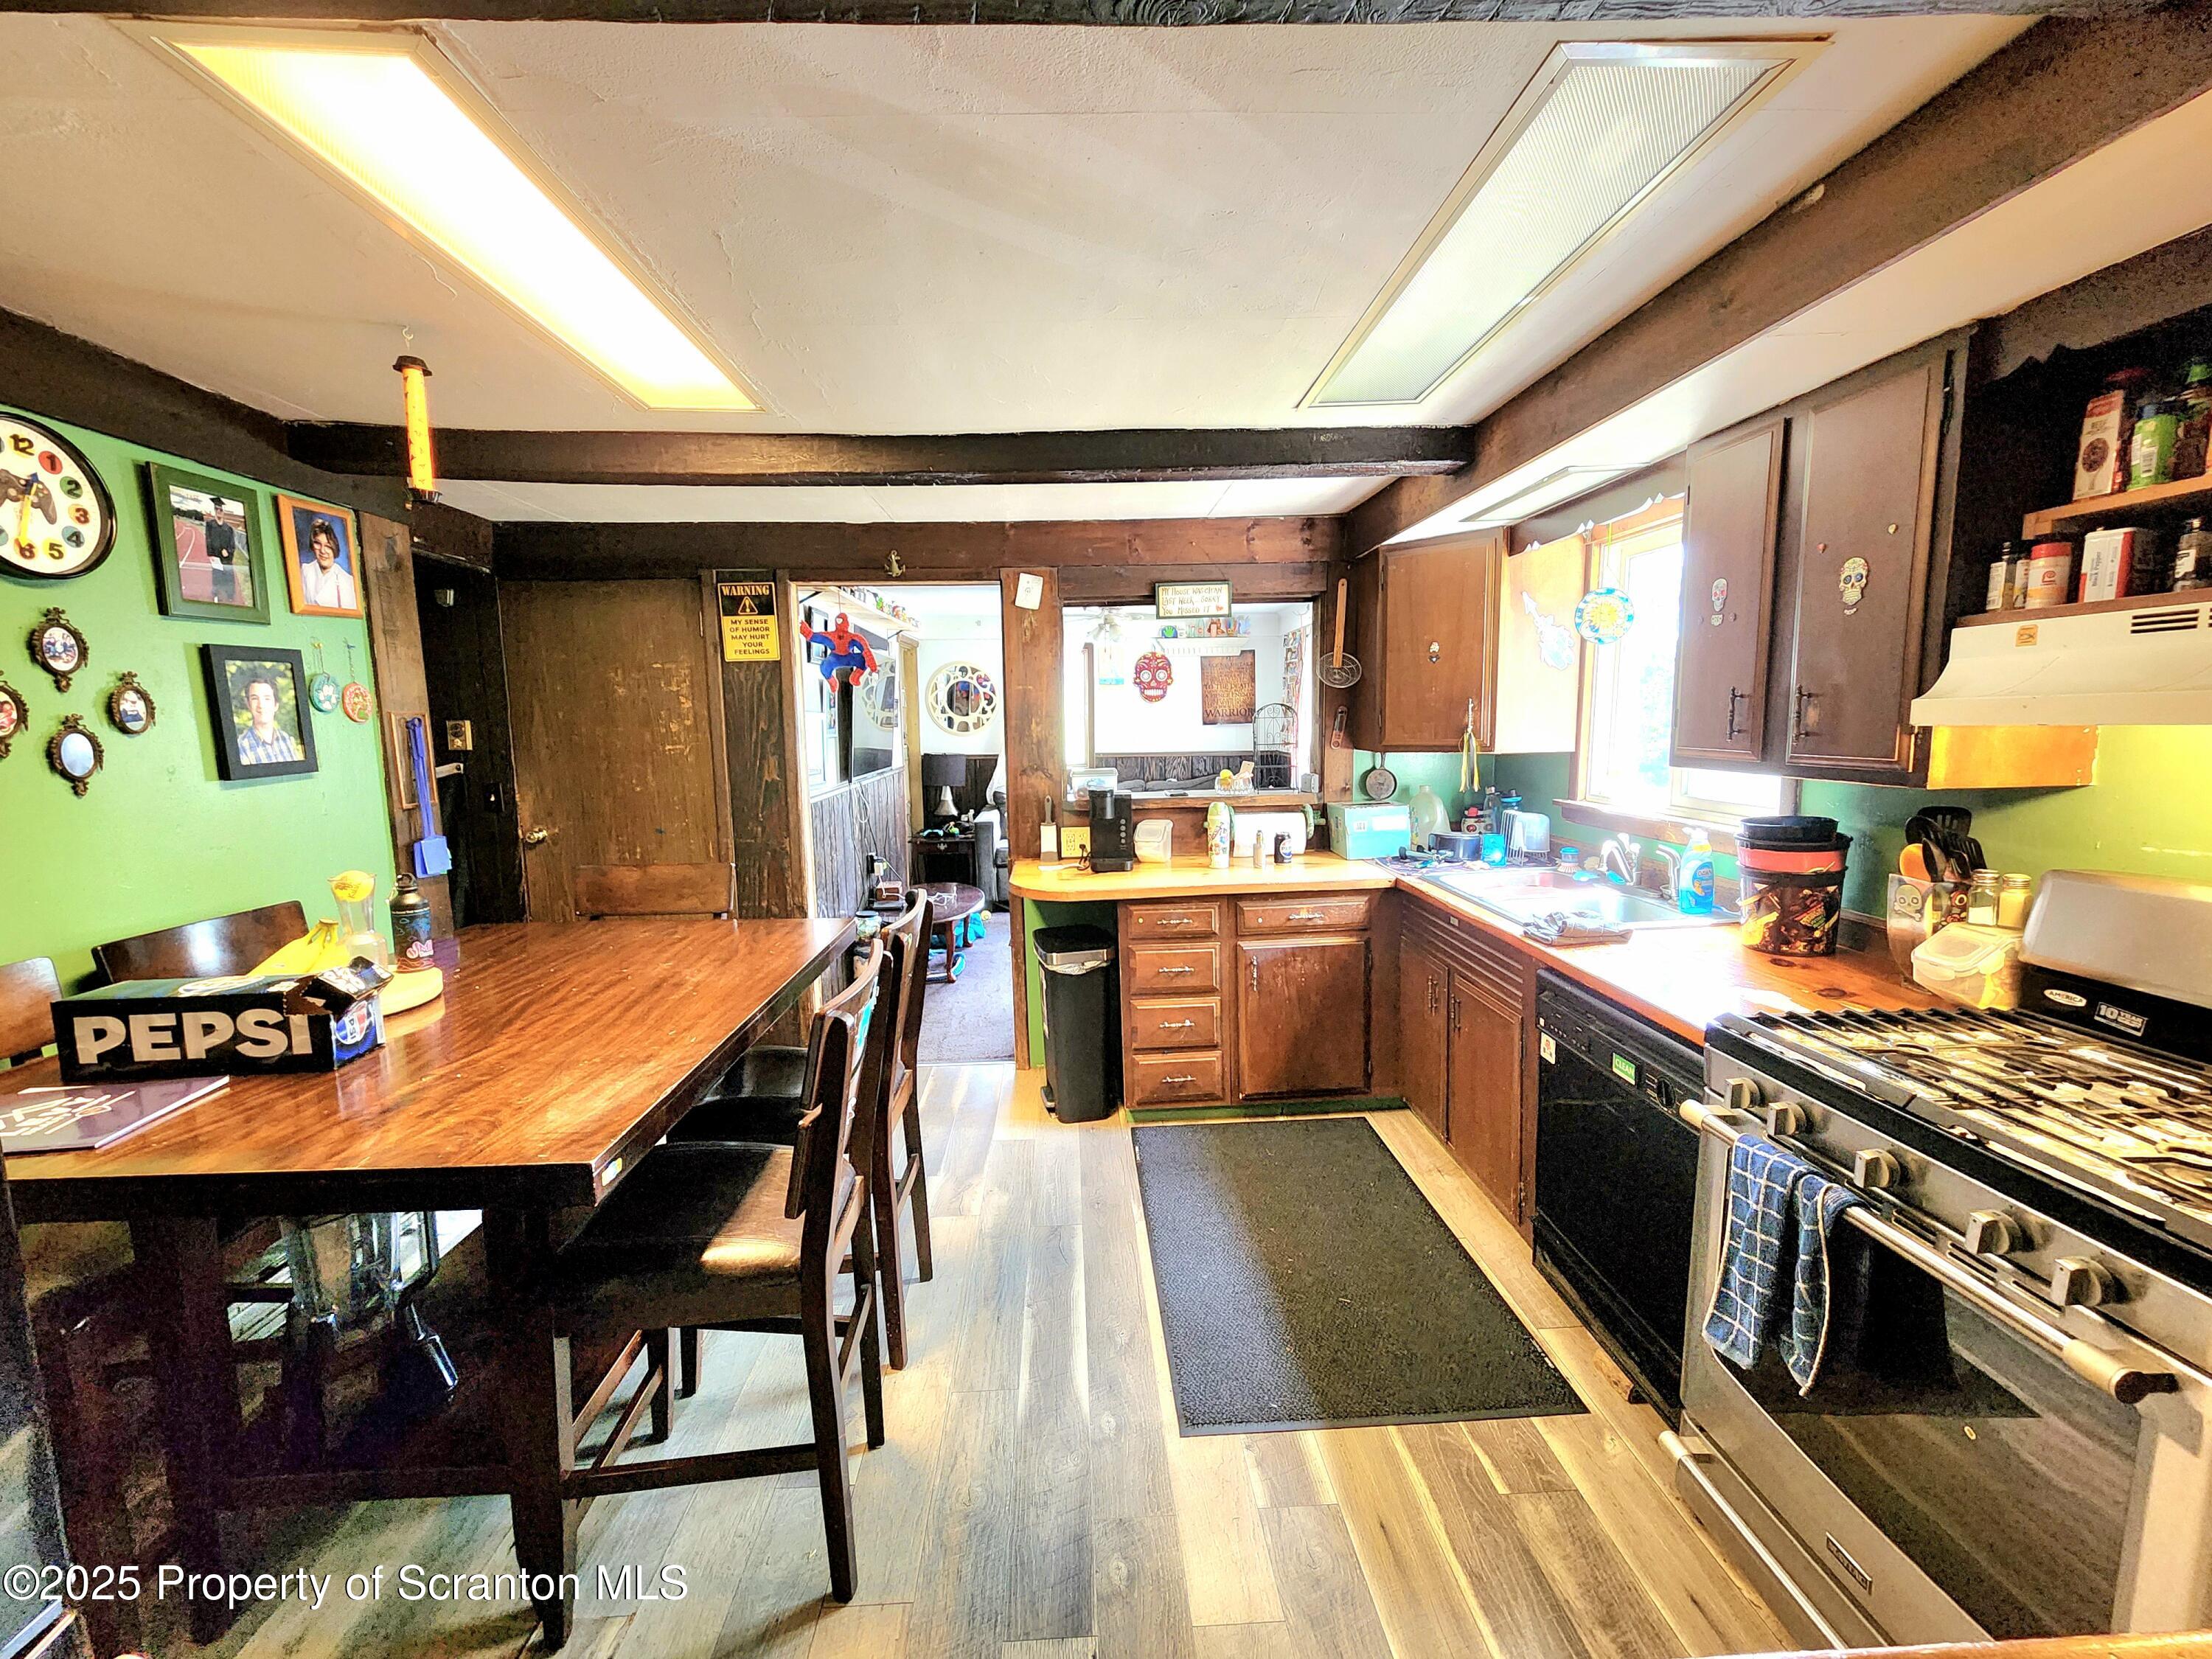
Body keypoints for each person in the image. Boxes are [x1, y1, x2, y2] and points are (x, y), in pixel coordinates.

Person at [237, 675, 301, 765]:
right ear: (248, 704)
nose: (261, 705)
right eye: (255, 699)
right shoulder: (242, 746)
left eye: (267, 698)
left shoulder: (286, 739)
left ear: (276, 705)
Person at [298, 518, 357, 611]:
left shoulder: (348, 581)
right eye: (318, 544)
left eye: (328, 546)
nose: (323, 551)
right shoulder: (305, 572)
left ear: (334, 547)